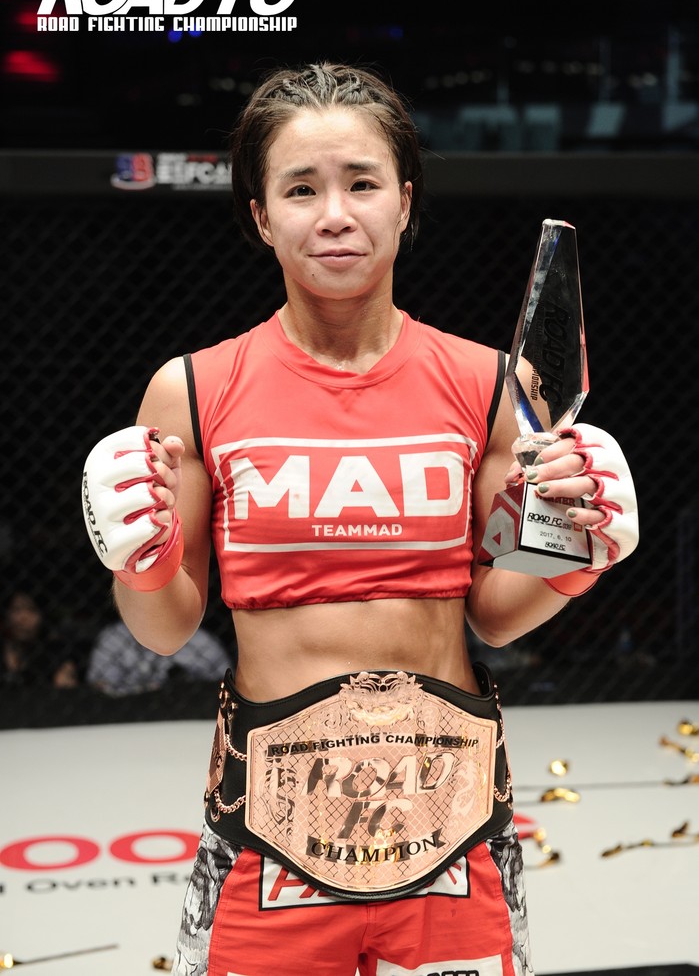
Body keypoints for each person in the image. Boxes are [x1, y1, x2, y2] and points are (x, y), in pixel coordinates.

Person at [81, 62, 639, 976]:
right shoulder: (191, 389)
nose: (334, 214)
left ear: (404, 203)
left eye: (362, 183)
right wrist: (137, 561)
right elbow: (167, 626)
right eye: (301, 188)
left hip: (451, 819)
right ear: (262, 216)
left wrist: (580, 556)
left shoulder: (491, 383)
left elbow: (495, 613)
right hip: (268, 830)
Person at [86, 617, 228, 696]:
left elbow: (226, 687)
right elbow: (100, 688)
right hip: (129, 713)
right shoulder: (114, 637)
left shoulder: (201, 641)